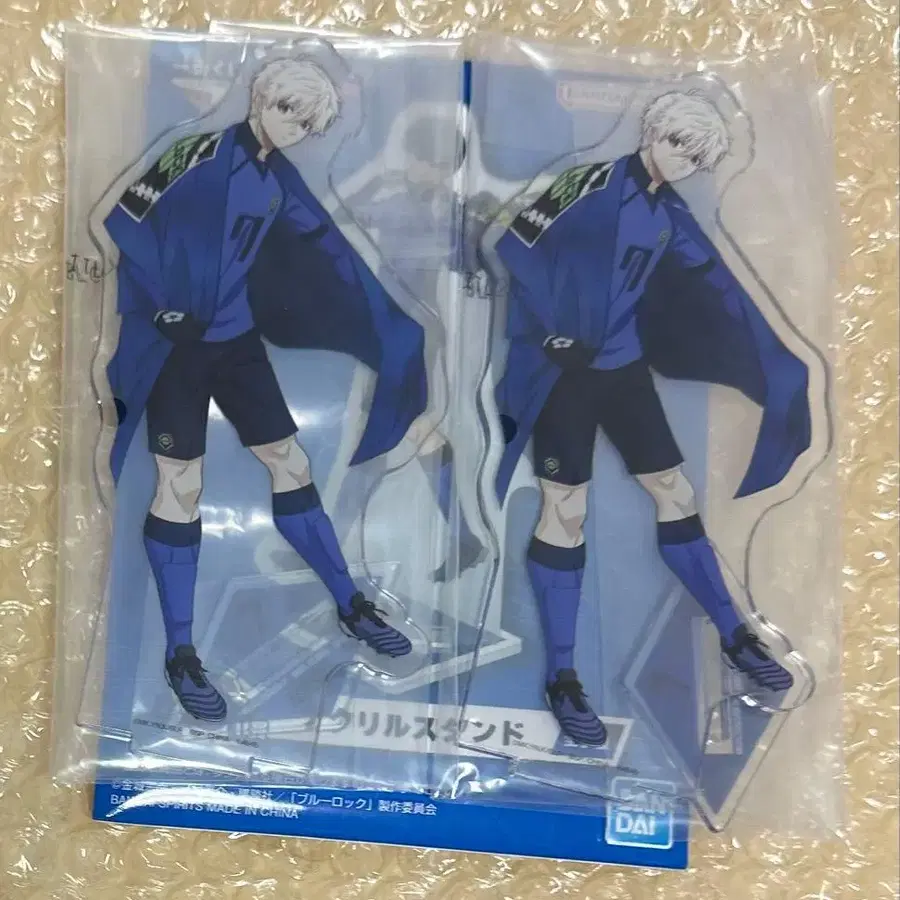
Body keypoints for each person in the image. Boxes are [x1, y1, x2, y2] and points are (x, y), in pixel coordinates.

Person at [105, 59, 441, 721]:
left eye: (308, 123)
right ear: (262, 98)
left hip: (236, 342)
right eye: (289, 111)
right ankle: (180, 654)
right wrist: (160, 305)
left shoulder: (276, 175)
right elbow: (121, 220)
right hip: (175, 347)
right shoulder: (194, 153)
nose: (295, 128)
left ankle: (349, 603)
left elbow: (326, 248)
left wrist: (388, 325)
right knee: (180, 484)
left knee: (289, 462)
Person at [492, 91, 811, 747]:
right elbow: (514, 244)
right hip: (560, 372)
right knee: (565, 509)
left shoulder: (670, 212)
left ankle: (735, 635)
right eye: (679, 145)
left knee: (674, 491)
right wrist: (550, 332)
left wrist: (777, 366)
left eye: (697, 156)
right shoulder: (586, 181)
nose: (684, 160)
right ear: (653, 132)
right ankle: (562, 677)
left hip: (623, 370)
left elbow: (718, 285)